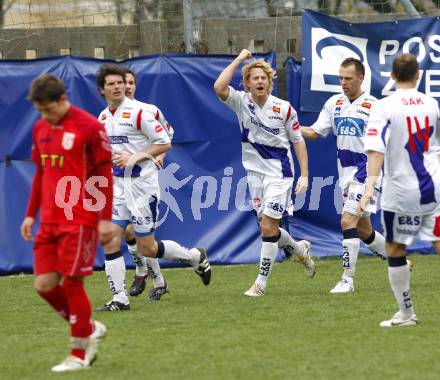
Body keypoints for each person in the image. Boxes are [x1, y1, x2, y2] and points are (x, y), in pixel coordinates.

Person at [95, 64, 211, 311]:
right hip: (118, 189)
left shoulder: (140, 113)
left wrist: (135, 157)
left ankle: (194, 257)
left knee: (147, 246)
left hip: (142, 188)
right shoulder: (103, 117)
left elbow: (164, 142)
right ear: (101, 90)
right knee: (109, 238)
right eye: (112, 84)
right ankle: (120, 299)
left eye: (120, 83)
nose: (118, 87)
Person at [20, 74, 113, 372]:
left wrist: (104, 220)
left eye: (48, 110)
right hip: (49, 221)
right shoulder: (40, 128)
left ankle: (79, 354)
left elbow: (103, 177)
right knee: (45, 285)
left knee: (73, 284)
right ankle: (87, 327)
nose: (45, 116)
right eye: (40, 112)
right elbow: (41, 173)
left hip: (80, 220)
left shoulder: (90, 127)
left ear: (63, 100)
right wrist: (31, 213)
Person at [214, 49, 315, 297]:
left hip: (280, 174)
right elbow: (219, 87)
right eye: (255, 78)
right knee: (267, 228)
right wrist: (238, 59)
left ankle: (260, 284)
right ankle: (300, 249)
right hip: (254, 176)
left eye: (264, 78)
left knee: (269, 226)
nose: (260, 82)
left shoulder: (283, 108)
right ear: (247, 83)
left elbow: (298, 141)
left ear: (270, 83)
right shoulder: (242, 102)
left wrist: (304, 175)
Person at [360, 53, 440, 327]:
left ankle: (406, 314)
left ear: (392, 76)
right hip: (433, 186)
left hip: (402, 188)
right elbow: (437, 149)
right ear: (418, 75)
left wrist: (369, 186)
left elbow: (375, 148)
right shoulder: (432, 104)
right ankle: (405, 315)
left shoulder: (383, 107)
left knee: (395, 248)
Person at [301, 57, 390, 294]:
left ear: (361, 78)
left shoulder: (375, 106)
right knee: (363, 230)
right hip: (346, 174)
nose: (343, 82)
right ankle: (396, 257)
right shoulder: (334, 103)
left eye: (348, 78)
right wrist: (291, 126)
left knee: (346, 221)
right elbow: (314, 132)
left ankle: (347, 280)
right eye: (341, 78)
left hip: (367, 172)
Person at [121, 67, 175, 301]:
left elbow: (168, 134)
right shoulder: (108, 115)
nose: (128, 86)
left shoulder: (149, 110)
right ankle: (146, 273)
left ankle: (153, 277)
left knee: (140, 234)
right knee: (127, 232)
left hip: (145, 181)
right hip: (122, 182)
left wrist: (160, 156)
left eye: (131, 82)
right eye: (124, 83)